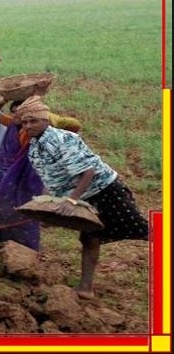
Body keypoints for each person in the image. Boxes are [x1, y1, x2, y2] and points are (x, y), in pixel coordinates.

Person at [19, 96, 148, 298]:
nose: (28, 126)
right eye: (25, 122)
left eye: (33, 121)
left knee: (144, 230)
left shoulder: (60, 140)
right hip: (85, 195)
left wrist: (72, 200)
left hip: (105, 191)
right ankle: (86, 287)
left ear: (45, 120)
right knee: (90, 237)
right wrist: (47, 203)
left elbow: (88, 172)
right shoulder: (35, 145)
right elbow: (50, 176)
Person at [0, 96, 82, 251]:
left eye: (21, 114)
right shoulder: (12, 124)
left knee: (26, 211)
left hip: (28, 180)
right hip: (6, 177)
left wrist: (45, 114)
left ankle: (24, 250)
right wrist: (5, 97)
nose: (17, 117)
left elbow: (75, 125)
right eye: (14, 113)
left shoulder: (39, 133)